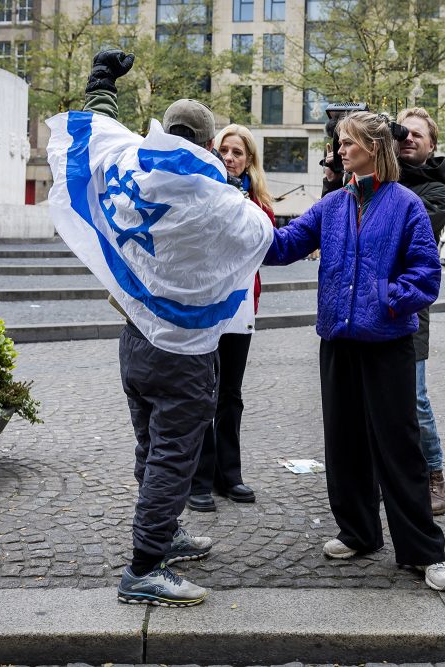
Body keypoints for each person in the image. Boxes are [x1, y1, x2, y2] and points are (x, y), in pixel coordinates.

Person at [74, 50, 273, 606]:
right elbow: (264, 236)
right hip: (183, 354)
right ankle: (144, 566)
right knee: (172, 456)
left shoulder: (130, 167)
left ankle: (164, 537)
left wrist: (103, 79)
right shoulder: (217, 202)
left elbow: (97, 128)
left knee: (149, 447)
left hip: (135, 340)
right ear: (210, 147)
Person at [264, 111, 445, 592]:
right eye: (339, 143)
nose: (339, 150)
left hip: (388, 343)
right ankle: (359, 533)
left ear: (374, 146)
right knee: (344, 443)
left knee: (400, 449)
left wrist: (387, 299)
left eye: (347, 142)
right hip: (338, 341)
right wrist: (240, 224)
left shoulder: (406, 204)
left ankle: (422, 550)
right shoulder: (333, 205)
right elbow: (285, 245)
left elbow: (426, 277)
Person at [187, 124, 276, 512]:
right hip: (207, 305)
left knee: (231, 395)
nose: (230, 158)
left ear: (249, 160)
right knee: (203, 391)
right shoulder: (202, 189)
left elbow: (267, 237)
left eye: (238, 152)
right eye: (224, 150)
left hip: (241, 309)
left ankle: (230, 474)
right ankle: (200, 479)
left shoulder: (258, 201)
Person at [395, 106, 445, 515]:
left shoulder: (436, 191)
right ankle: (390, 474)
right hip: (367, 303)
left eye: (418, 135)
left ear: (432, 146)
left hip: (411, 307)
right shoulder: (372, 178)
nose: (409, 139)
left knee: (414, 398)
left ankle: (434, 474)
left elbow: (405, 231)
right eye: (403, 133)